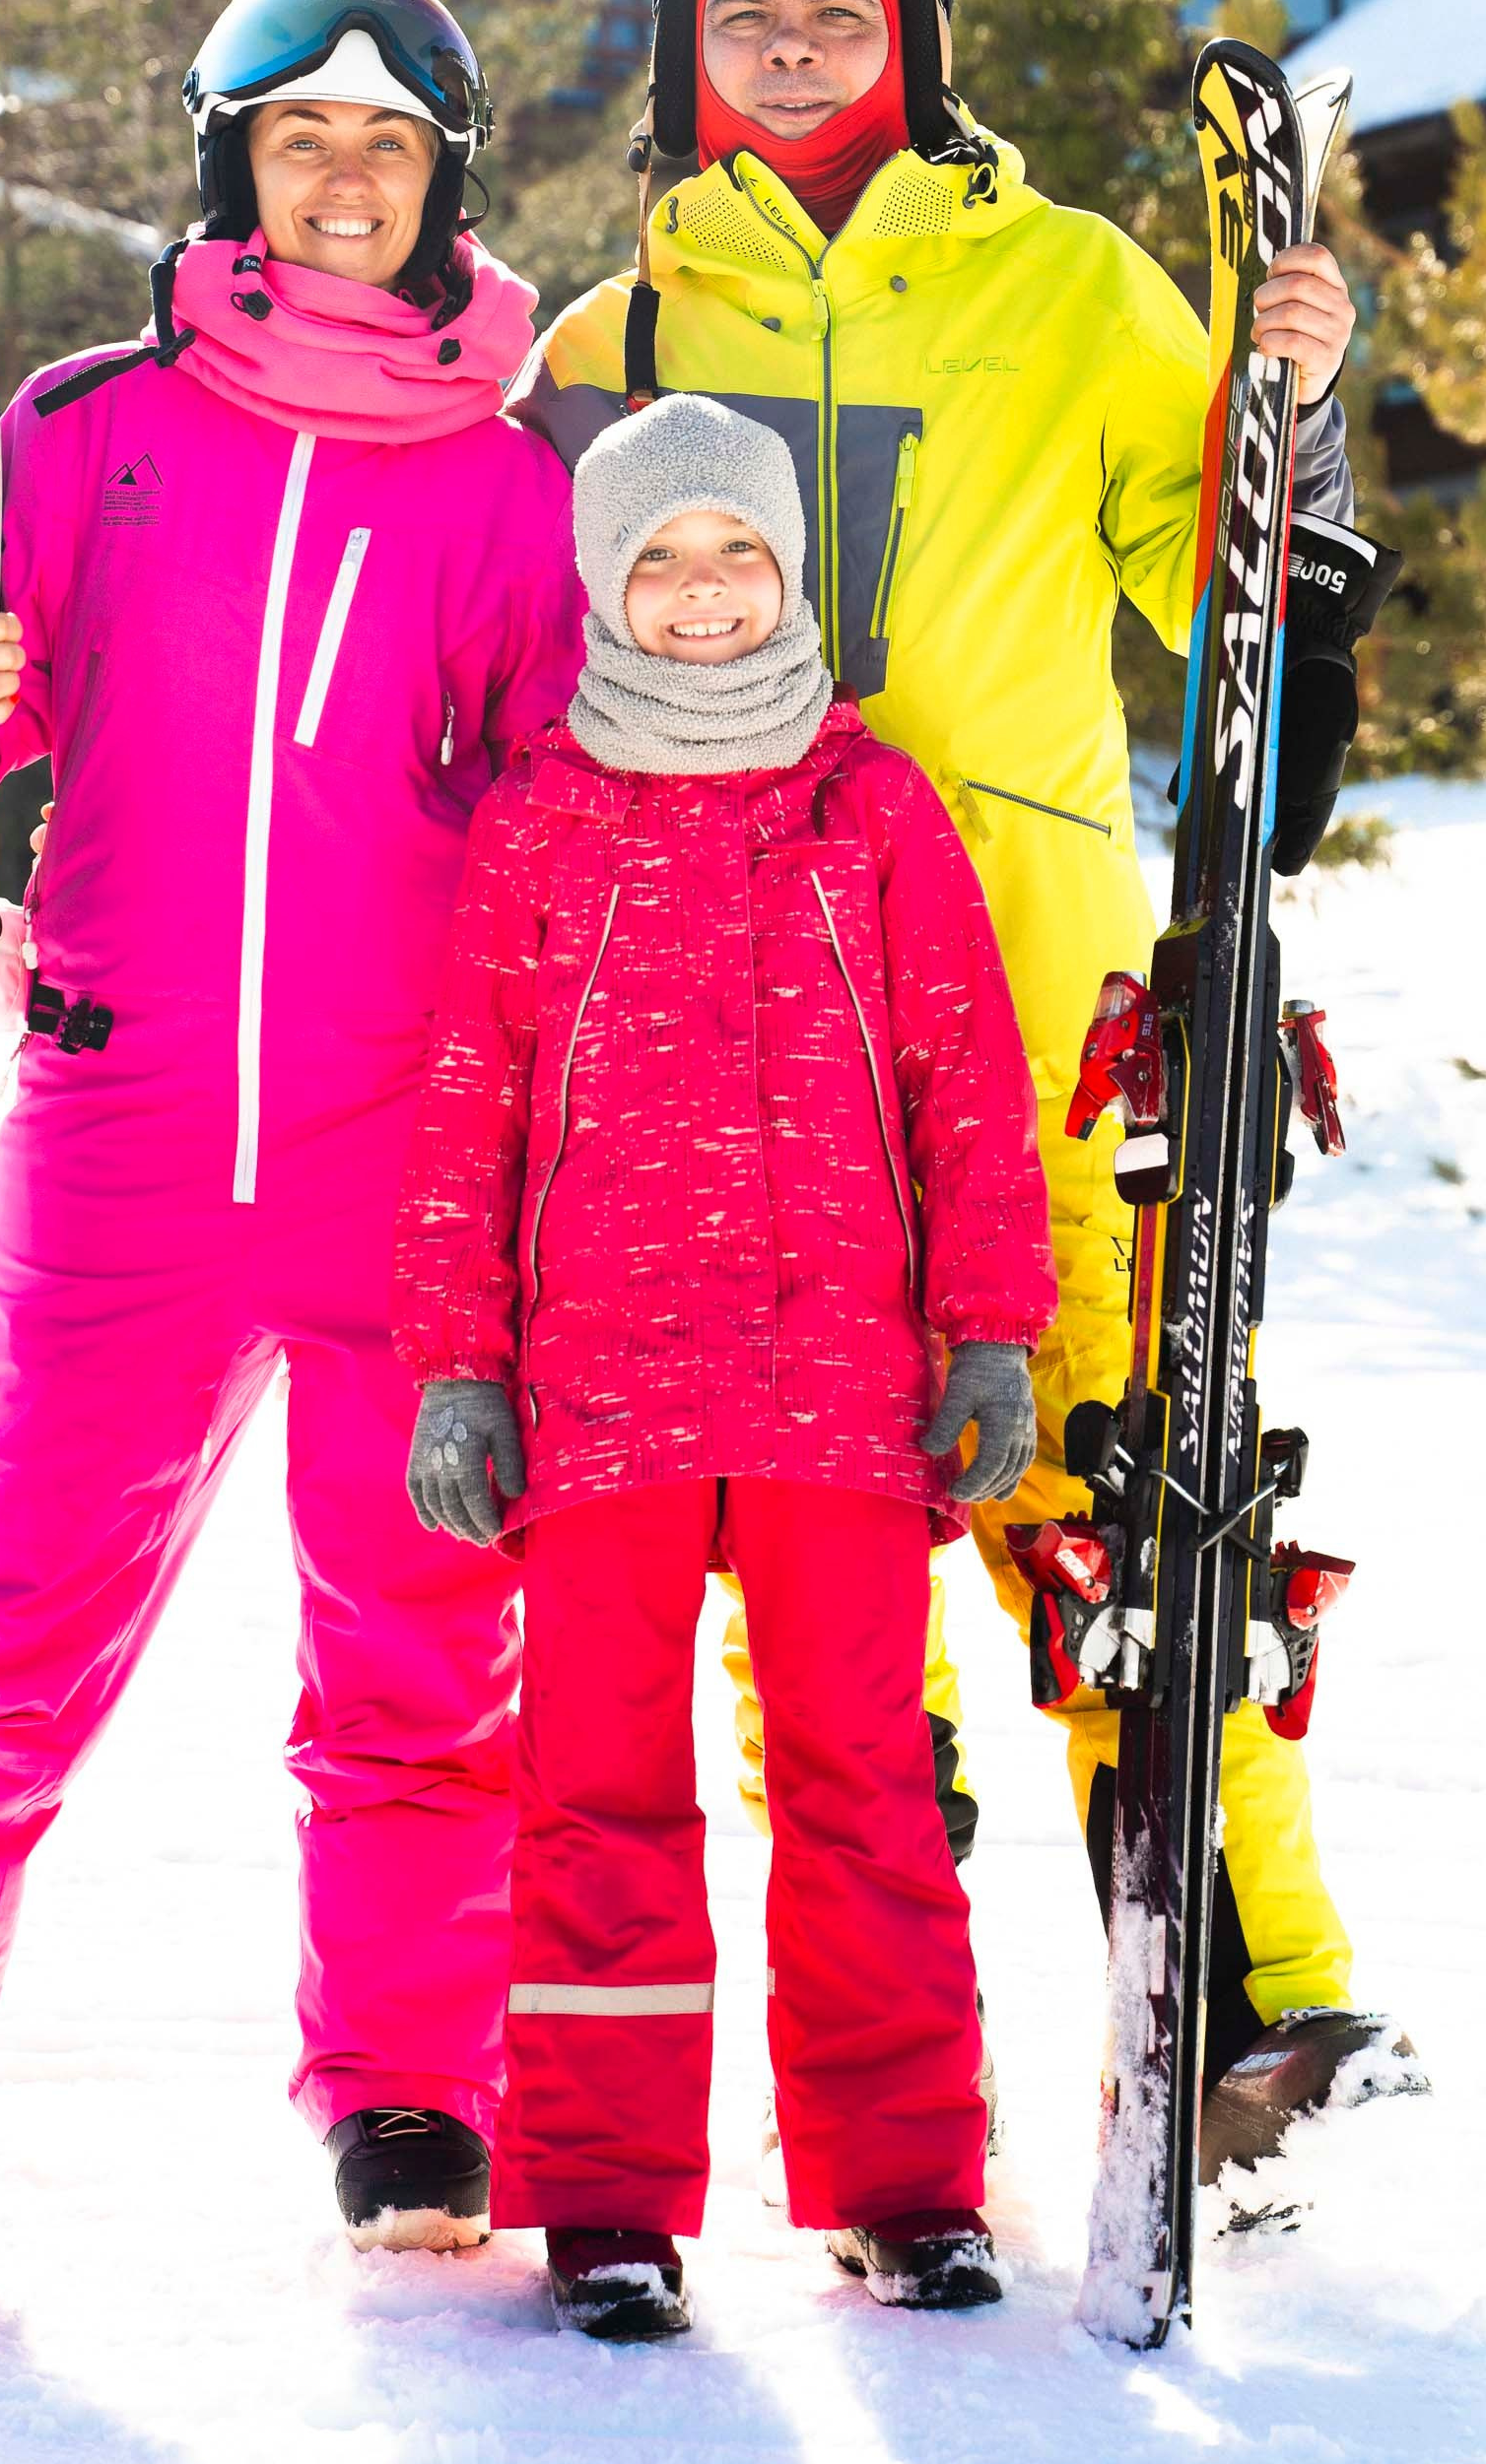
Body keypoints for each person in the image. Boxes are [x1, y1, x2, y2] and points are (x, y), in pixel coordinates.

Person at [515, 0, 1422, 2176]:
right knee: (822, 1569)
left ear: (913, 33)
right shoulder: (609, 344)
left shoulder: (1073, 285)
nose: (793, 50)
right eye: (742, 15)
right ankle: (897, 2073)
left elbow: (1216, 579)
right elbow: (524, 691)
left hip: (1029, 999)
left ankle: (1249, 1991)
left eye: (840, 11)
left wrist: (1290, 415)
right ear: (682, 53)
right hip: (727, 1045)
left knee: (1127, 1483)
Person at [0, 0, 587, 2259]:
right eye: (301, 139)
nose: (345, 179)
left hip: (409, 1167)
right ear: (232, 166)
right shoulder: (91, 428)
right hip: (120, 1149)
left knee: (422, 1653)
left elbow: (559, 814)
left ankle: (414, 2090)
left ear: (444, 183)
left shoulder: (513, 488)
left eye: (388, 145)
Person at [394, 392, 1055, 2338]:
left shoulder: (874, 807)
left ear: (789, 570)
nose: (702, 591)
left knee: (863, 1783)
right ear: (604, 582)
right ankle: (605, 2198)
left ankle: (904, 2178)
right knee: (597, 1795)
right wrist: (458, 1364)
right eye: (660, 559)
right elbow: (467, 1106)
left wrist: (988, 1333)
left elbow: (967, 1080)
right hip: (596, 1392)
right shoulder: (540, 817)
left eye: (737, 553)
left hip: (838, 1386)